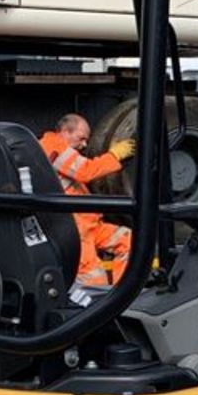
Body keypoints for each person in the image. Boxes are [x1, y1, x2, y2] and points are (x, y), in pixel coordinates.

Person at [37, 113, 135, 290]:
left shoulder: (63, 153)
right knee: (94, 280)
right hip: (77, 232)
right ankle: (99, 308)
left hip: (90, 226)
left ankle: (123, 293)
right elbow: (86, 171)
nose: (84, 145)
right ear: (66, 132)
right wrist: (114, 156)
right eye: (81, 138)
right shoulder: (52, 146)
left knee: (130, 241)